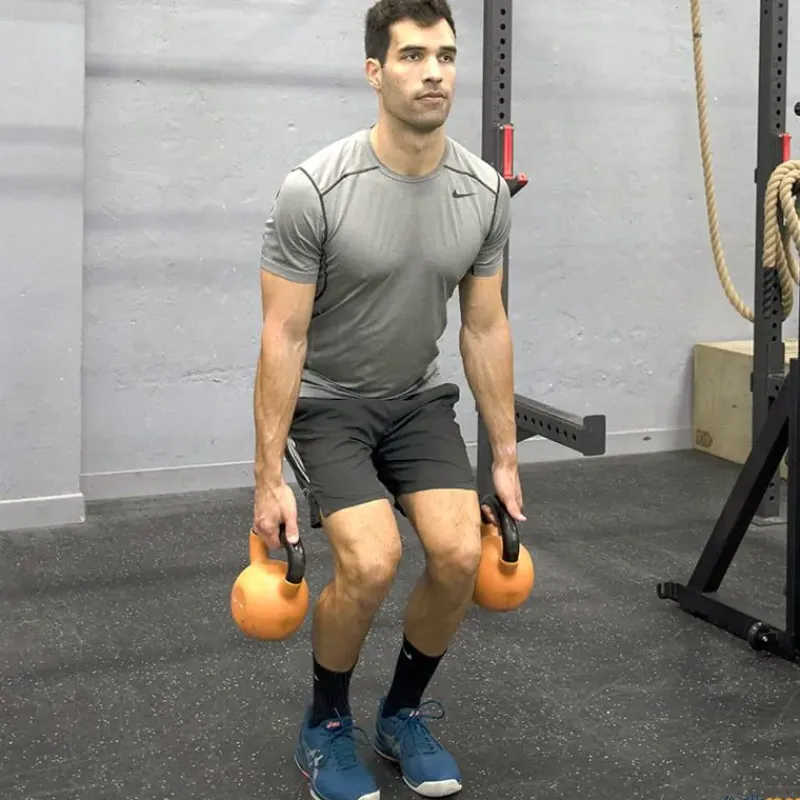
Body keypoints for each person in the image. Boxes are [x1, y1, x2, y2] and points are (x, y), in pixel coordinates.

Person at [253, 0, 525, 797]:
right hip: (329, 403)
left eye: (445, 55)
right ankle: (325, 724)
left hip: (414, 400)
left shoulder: (484, 191)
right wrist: (267, 478)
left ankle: (401, 715)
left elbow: (484, 327)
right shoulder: (315, 189)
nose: (433, 72)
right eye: (411, 56)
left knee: (460, 555)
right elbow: (283, 337)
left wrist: (505, 458)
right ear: (375, 72)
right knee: (371, 562)